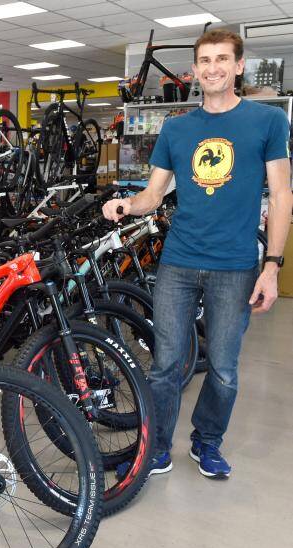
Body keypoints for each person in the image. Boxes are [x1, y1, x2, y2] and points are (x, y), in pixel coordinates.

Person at [103, 29, 292, 480]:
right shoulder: (177, 128)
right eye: (205, 60)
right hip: (179, 262)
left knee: (224, 369)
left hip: (236, 266)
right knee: (166, 364)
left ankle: (206, 442)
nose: (212, 68)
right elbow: (154, 193)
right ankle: (159, 447)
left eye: (222, 59)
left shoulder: (266, 122)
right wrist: (126, 204)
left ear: (239, 66)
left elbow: (282, 195)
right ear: (196, 70)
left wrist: (273, 267)